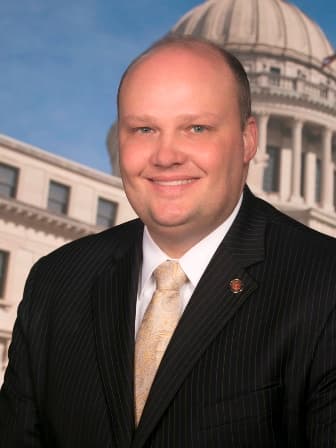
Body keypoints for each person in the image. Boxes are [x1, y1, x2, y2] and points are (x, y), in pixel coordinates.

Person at [1, 35, 336, 447]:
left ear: (249, 140)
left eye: (196, 128)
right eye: (144, 129)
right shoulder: (54, 282)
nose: (165, 155)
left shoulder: (325, 283)